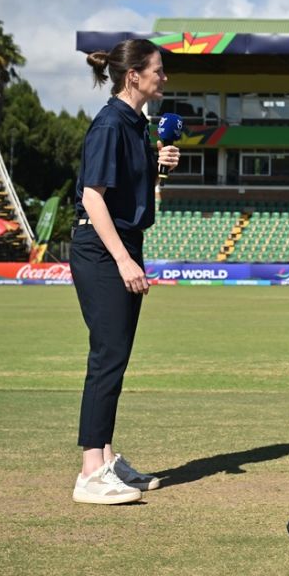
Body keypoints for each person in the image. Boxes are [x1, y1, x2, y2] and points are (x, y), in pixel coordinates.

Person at [70, 39, 180, 504]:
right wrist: (123, 259)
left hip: (121, 242)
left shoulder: (137, 124)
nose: (165, 77)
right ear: (133, 74)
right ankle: (89, 472)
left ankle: (107, 460)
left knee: (115, 357)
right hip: (101, 248)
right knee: (107, 357)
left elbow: (127, 191)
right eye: (158, 70)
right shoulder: (110, 123)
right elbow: (93, 197)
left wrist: (160, 167)